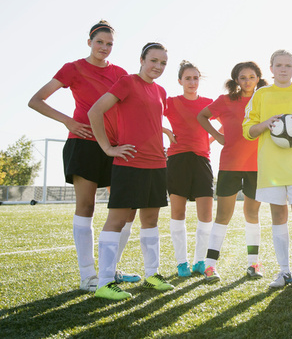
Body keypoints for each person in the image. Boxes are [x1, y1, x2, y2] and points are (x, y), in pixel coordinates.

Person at [28, 20, 140, 292]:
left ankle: (110, 270)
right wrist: (68, 121)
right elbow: (36, 100)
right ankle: (87, 275)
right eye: (99, 42)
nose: (104, 47)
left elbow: (132, 109)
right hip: (84, 143)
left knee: (127, 210)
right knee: (87, 207)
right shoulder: (73, 68)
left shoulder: (121, 74)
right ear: (89, 42)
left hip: (116, 147)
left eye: (109, 44)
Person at [88, 42, 174, 300]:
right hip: (129, 164)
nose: (158, 66)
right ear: (142, 59)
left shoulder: (160, 90)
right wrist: (108, 148)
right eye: (154, 61)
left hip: (157, 164)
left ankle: (151, 274)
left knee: (151, 220)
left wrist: (163, 134)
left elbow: (145, 119)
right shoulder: (127, 82)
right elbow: (95, 112)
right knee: (117, 220)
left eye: (163, 63)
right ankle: (104, 281)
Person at [242, 49, 292, 290]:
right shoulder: (261, 95)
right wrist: (265, 124)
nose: (284, 69)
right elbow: (247, 130)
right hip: (271, 166)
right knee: (278, 216)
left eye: (288, 65)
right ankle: (284, 272)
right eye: (279, 65)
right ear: (272, 68)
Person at [197, 61, 267, 282]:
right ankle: (210, 266)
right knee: (222, 216)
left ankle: (253, 265)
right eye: (243, 77)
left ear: (258, 78)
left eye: (251, 77)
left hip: (257, 166)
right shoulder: (225, 101)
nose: (247, 81)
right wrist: (217, 137)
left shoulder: (265, 101)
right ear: (236, 80)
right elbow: (202, 116)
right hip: (230, 166)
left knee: (252, 214)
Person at [163, 61, 214, 278]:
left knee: (205, 215)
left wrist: (209, 140)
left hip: (202, 161)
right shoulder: (171, 102)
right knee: (178, 213)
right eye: (187, 78)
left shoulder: (209, 103)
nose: (192, 82)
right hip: (177, 160)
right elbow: (146, 113)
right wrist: (166, 130)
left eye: (195, 78)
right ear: (180, 81)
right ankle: (181, 263)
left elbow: (229, 121)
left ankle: (199, 261)